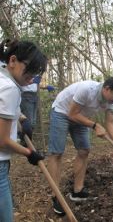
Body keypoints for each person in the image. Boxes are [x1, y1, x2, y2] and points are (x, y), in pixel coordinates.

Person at [47, 76, 113, 216]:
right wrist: (95, 125)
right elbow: (71, 113)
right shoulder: (87, 89)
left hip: (80, 116)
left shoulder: (110, 101)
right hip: (62, 112)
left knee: (84, 151)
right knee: (57, 153)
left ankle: (77, 191)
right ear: (107, 88)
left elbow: (110, 123)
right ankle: (56, 197)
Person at [0, 38, 47, 222]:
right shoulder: (10, 88)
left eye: (36, 72)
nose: (32, 76)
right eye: (30, 69)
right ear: (12, 61)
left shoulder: (4, 78)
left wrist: (21, 119)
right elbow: (2, 141)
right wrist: (29, 153)